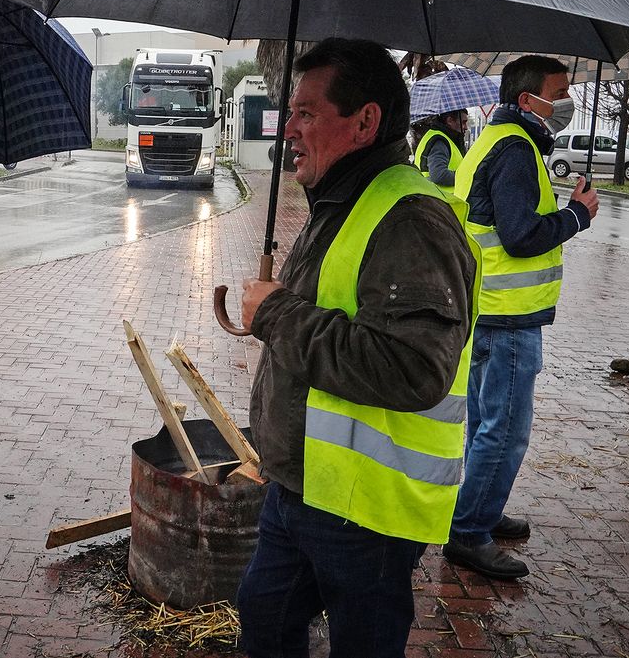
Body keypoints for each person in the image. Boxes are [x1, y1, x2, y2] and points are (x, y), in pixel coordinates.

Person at [236, 38, 478, 657]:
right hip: (300, 485)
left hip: (362, 510)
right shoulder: (341, 201)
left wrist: (278, 315)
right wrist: (271, 315)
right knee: (264, 617)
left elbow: (412, 367)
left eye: (307, 114)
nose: (288, 127)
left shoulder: (409, 220)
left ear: (365, 121)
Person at [443, 54, 598, 581]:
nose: (567, 102)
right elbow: (521, 235)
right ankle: (468, 533)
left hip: (485, 307)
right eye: (560, 91)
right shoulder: (515, 150)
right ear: (529, 99)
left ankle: (477, 506)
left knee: (486, 423)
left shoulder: (492, 141)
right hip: (507, 315)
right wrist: (577, 215)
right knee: (505, 430)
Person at [410, 108, 470, 189]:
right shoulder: (440, 141)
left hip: (434, 197)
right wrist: (468, 176)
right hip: (442, 199)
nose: (466, 127)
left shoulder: (440, 137)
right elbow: (439, 176)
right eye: (463, 122)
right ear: (450, 121)